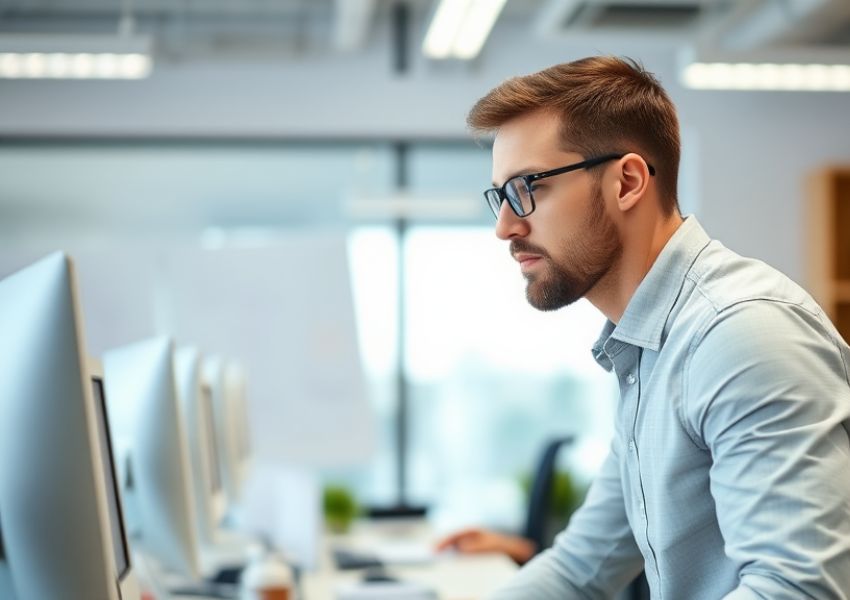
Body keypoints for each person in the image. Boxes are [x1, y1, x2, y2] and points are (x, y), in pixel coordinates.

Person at [462, 55, 850, 599]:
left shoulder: (738, 335)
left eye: (528, 186)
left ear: (627, 182)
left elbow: (797, 590)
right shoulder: (648, 348)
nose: (505, 226)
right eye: (500, 196)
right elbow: (581, 569)